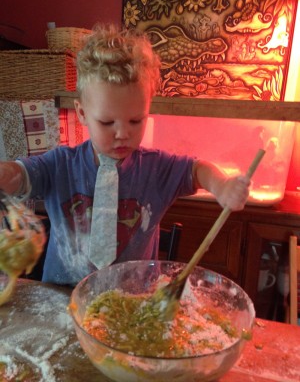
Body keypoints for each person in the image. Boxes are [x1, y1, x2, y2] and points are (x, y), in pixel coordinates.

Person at [0, 24, 250, 285]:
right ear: (82, 113)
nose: (122, 133)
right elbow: (21, 174)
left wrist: (221, 184)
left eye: (135, 120)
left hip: (131, 303)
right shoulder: (60, 164)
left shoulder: (156, 169)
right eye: (107, 122)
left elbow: (197, 170)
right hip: (60, 301)